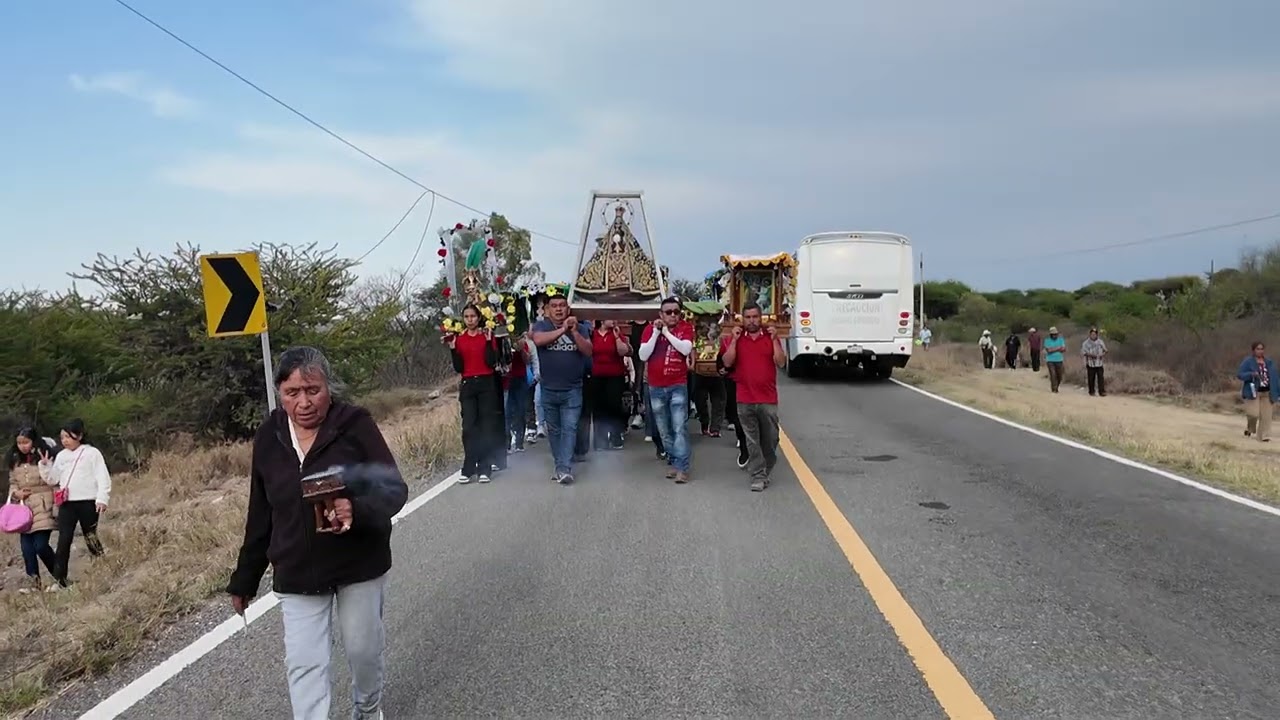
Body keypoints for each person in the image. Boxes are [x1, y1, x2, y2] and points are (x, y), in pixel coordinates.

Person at [227, 346, 408, 720]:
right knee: (304, 664)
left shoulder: (354, 426)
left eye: (313, 390)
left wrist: (354, 509)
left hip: (358, 562)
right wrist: (245, 578)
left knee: (363, 651)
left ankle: (367, 709)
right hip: (298, 567)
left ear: (329, 387)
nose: (304, 402)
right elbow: (260, 513)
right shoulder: (268, 437)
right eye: (293, 393)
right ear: (280, 393)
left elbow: (393, 490)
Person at [721, 302, 786, 491]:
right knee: (752, 440)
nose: (752, 321)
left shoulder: (770, 337)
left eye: (755, 317)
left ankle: (766, 467)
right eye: (748, 317)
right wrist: (733, 340)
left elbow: (781, 362)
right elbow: (727, 362)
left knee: (772, 438)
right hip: (745, 398)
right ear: (743, 319)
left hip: (768, 398)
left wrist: (775, 339)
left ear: (761, 317)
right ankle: (758, 475)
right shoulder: (738, 339)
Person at [39, 418, 110, 584]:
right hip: (67, 503)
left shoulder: (92, 453)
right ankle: (60, 578)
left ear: (79, 436)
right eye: (62, 437)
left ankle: (104, 567)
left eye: (68, 437)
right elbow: (53, 479)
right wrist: (45, 466)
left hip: (88, 501)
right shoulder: (62, 456)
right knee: (64, 539)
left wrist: (102, 498)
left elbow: (102, 476)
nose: (65, 441)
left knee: (90, 535)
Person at [531, 295, 593, 484]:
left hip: (572, 389)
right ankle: (561, 465)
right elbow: (539, 340)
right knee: (554, 431)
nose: (558, 309)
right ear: (548, 310)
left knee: (570, 428)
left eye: (562, 306)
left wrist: (573, 332)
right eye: (554, 306)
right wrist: (563, 330)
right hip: (548, 388)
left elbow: (588, 351)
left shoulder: (581, 328)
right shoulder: (541, 326)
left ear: (568, 309)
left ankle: (564, 468)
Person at [638, 297, 695, 483]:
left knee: (679, 427)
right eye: (668, 312)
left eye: (675, 312)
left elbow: (685, 349)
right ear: (660, 314)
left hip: (677, 385)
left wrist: (666, 333)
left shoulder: (685, 328)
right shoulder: (649, 329)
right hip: (655, 387)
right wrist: (656, 333)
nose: (672, 315)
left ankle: (682, 467)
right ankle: (673, 460)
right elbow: (643, 354)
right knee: (663, 429)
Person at [445, 304, 501, 484]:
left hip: (486, 383)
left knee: (485, 425)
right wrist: (453, 349)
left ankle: (484, 468)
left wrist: (488, 341)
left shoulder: (486, 336)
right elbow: (459, 368)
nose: (470, 320)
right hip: (468, 384)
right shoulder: (459, 339)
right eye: (467, 317)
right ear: (463, 319)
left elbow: (491, 362)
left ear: (479, 318)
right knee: (469, 427)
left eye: (473, 316)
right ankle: (469, 467)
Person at [6, 428, 60, 592]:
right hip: (25, 508)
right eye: (19, 443)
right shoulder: (15, 461)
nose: (22, 446)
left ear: (34, 441)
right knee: (27, 548)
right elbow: (13, 482)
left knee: (41, 545)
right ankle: (34, 583)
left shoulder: (45, 456)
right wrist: (16, 493)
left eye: (26, 442)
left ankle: (60, 576)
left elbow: (53, 480)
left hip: (44, 504)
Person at [589, 320, 630, 450]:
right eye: (610, 318)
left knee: (614, 406)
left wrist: (617, 337)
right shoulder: (592, 334)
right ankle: (600, 440)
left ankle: (616, 436)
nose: (613, 320)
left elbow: (623, 352)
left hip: (615, 376)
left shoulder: (617, 334)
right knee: (598, 408)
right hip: (596, 375)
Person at [717, 338, 750, 468]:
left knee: (757, 416)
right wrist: (722, 368)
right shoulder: (728, 336)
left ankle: (758, 449)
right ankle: (744, 447)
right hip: (734, 381)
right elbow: (722, 359)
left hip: (755, 381)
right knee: (738, 416)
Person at [1238, 341, 1278, 442]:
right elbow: (1240, 374)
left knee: (1266, 416)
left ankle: (1263, 437)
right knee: (1253, 414)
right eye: (1258, 349)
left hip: (1268, 392)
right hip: (1253, 392)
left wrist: (1278, 391)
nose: (1260, 351)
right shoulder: (1248, 361)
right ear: (1253, 350)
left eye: (1262, 349)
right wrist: (1251, 374)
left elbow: (1275, 378)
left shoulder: (1269, 362)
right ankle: (1250, 428)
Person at [505, 332, 533, 453]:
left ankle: (519, 443)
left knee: (521, 410)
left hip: (520, 379)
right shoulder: (504, 344)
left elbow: (527, 361)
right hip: (507, 381)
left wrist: (521, 350)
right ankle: (507, 443)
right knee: (507, 412)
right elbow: (507, 366)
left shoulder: (523, 343)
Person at [1081, 327, 1108, 396]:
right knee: (1091, 378)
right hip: (1090, 363)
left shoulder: (1100, 342)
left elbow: (1106, 350)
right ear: (1090, 335)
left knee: (1100, 378)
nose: (1093, 335)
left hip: (1099, 363)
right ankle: (1091, 391)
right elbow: (1084, 352)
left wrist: (1102, 354)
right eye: (1092, 334)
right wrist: (1091, 355)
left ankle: (1101, 391)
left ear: (1097, 335)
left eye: (1094, 334)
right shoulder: (1086, 343)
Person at [1043, 326, 1066, 393]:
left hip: (1059, 360)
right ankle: (1054, 388)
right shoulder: (1047, 341)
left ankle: (1057, 386)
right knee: (1053, 374)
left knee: (1059, 376)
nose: (1055, 335)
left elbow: (1063, 349)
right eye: (1053, 334)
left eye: (1056, 334)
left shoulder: (1061, 340)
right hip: (1050, 360)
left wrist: (1054, 349)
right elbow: (1049, 350)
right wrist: (1058, 348)